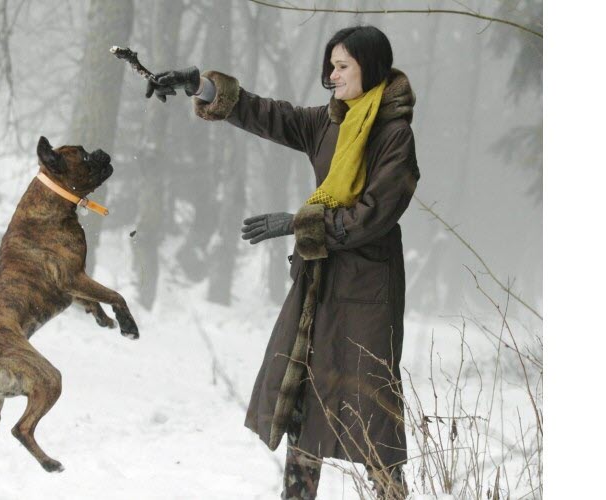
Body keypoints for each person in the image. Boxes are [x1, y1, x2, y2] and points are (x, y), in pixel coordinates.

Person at [146, 25, 419, 500]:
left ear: (369, 68)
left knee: (372, 403)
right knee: (304, 390)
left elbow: (375, 215)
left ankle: (391, 494)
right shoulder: (328, 122)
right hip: (321, 279)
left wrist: (299, 224)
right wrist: (201, 86)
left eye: (342, 66)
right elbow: (268, 114)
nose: (332, 75)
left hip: (369, 285)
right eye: (330, 65)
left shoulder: (394, 134)